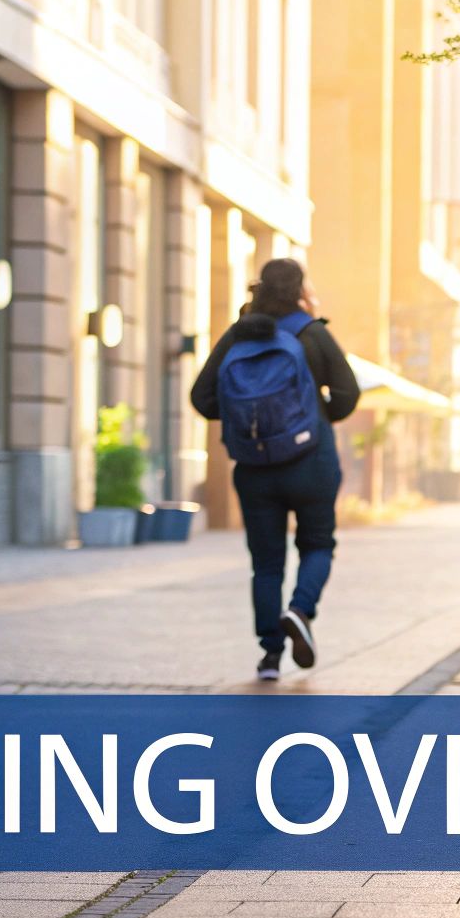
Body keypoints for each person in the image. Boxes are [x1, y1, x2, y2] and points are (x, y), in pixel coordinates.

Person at [190, 259, 361, 681]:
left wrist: (245, 422)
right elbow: (348, 392)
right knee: (317, 544)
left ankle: (270, 656)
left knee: (266, 564)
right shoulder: (312, 332)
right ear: (299, 288)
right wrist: (315, 415)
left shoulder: (239, 335)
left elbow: (202, 397)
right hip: (311, 459)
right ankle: (300, 610)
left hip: (254, 466)